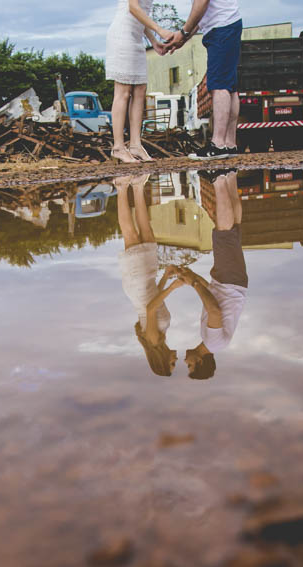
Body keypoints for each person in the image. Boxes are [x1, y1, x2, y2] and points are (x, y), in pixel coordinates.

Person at [178, 170, 246, 379]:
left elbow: (213, 301)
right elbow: (214, 310)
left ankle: (231, 177)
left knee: (233, 230)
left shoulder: (211, 341)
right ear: (199, 362)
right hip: (229, 282)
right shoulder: (213, 343)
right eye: (189, 366)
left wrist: (190, 277)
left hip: (229, 282)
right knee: (224, 233)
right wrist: (195, 285)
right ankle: (219, 178)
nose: (185, 362)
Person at [114, 174, 183, 376]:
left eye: (172, 364)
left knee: (131, 236)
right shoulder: (162, 336)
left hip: (137, 285)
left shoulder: (153, 341)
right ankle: (137, 187)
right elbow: (156, 300)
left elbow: (151, 308)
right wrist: (166, 277)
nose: (175, 360)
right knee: (148, 234)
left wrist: (172, 287)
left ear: (161, 361)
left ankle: (120, 187)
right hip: (148, 283)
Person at [164, 0, 243, 160]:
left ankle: (218, 144)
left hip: (221, 28)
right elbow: (202, 16)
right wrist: (183, 38)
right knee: (230, 86)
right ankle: (229, 143)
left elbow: (201, 3)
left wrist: (183, 32)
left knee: (220, 85)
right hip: (227, 24)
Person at [105, 0, 175, 164]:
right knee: (123, 91)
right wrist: (160, 30)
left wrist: (153, 41)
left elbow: (141, 16)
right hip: (122, 36)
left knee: (140, 90)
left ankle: (136, 144)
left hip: (136, 38)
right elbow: (133, 8)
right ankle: (118, 147)